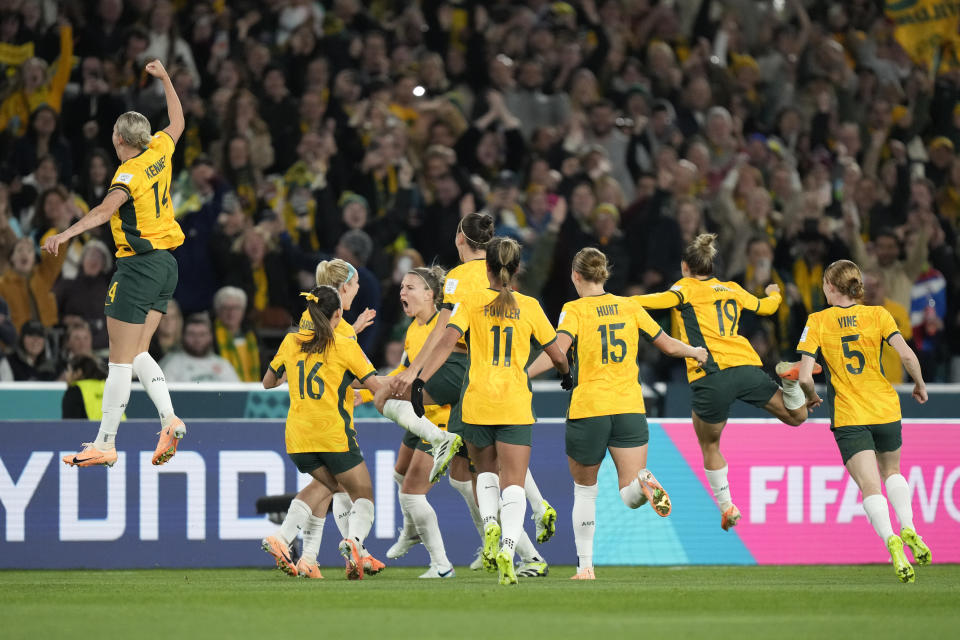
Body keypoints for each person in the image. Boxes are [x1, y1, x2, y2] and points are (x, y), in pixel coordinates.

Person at [386, 213, 554, 577]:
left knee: (390, 397)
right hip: (505, 381)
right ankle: (525, 529)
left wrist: (415, 372)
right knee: (471, 474)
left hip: (465, 371)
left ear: (460, 237)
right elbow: (551, 346)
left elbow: (445, 332)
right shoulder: (506, 279)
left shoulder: (459, 278)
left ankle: (439, 441)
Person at [528, 248, 708, 580]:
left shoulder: (574, 309)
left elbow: (557, 351)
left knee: (585, 490)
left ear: (575, 275)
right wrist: (695, 351)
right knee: (628, 493)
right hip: (629, 407)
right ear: (605, 274)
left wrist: (523, 374)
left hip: (590, 408)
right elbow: (667, 344)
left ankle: (585, 568)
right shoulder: (631, 305)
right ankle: (643, 483)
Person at [42, 60, 186, 468]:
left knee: (119, 360)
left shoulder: (128, 173)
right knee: (140, 351)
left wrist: (64, 235)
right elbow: (177, 120)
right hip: (166, 266)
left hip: (138, 267)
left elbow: (104, 212)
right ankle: (169, 418)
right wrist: (166, 80)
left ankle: (106, 442)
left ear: (120, 138)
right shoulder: (160, 149)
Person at [636, 234, 817, 530]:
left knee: (709, 443)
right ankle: (789, 381)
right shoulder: (731, 288)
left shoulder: (684, 288)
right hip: (746, 366)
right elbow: (767, 308)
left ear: (685, 267)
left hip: (712, 375)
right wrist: (774, 293)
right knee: (798, 416)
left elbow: (651, 301)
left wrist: (615, 302)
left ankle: (727, 507)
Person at [794, 260, 931, 583]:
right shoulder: (880, 314)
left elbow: (803, 377)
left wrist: (812, 397)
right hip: (885, 408)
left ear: (830, 286)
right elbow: (908, 356)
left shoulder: (817, 321)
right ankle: (909, 527)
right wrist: (920, 384)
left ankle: (891, 541)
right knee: (893, 472)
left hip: (850, 414)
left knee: (870, 486)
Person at [269, 258, 385, 577]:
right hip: (332, 423)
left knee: (331, 487)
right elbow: (358, 374)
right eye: (356, 286)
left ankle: (310, 557)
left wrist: (356, 329)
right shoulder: (340, 330)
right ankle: (351, 550)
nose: (358, 291)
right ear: (344, 288)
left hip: (302, 424)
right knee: (338, 487)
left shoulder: (311, 317)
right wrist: (396, 382)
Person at [375, 266, 456, 578]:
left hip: (441, 421)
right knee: (399, 474)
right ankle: (410, 532)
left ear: (430, 294)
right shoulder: (412, 330)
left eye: (410, 287)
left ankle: (441, 565)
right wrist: (367, 394)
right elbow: (401, 377)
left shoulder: (446, 327)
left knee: (412, 493)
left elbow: (446, 378)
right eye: (402, 287)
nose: (402, 293)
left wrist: (373, 390)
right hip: (417, 415)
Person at [160, 314, 240, 382]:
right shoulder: (172, 363)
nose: (197, 339)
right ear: (182, 336)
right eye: (192, 334)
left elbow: (238, 395)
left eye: (202, 334)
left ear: (211, 337)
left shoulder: (223, 364)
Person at [62, 355, 111, 420]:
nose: (65, 375)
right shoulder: (108, 386)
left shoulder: (74, 391)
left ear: (78, 372)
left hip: (93, 429)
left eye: (68, 370)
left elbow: (70, 425)